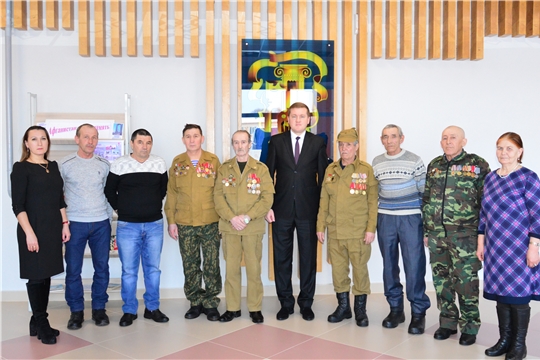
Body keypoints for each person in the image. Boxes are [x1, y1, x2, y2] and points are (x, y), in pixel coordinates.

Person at [422, 125, 490, 346]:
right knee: (442, 282)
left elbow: (486, 204)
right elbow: (426, 200)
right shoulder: (434, 165)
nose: (448, 141)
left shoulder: (477, 165)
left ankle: (470, 326)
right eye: (444, 138)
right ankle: (448, 323)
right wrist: (427, 231)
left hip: (466, 237)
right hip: (437, 236)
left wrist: (482, 236)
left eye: (453, 137)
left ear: (464, 141)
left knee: (466, 284)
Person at [476, 132, 540, 360]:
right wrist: (481, 241)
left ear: (520, 151)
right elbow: (484, 213)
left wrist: (534, 246)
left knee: (519, 296)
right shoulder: (491, 178)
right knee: (501, 296)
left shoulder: (528, 177)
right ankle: (504, 340)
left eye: (509, 149)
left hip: (519, 246)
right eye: (500, 148)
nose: (504, 153)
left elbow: (537, 214)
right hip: (495, 247)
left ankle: (519, 345)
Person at [265, 102, 328, 321]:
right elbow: (267, 176)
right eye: (294, 116)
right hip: (280, 210)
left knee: (308, 259)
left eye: (302, 116)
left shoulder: (317, 142)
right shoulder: (276, 141)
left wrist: (321, 210)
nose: (298, 120)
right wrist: (268, 206)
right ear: (287, 119)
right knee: (282, 258)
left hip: (308, 210)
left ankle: (306, 303)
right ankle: (285, 302)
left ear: (309, 119)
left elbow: (323, 179)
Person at [11, 126, 70, 344]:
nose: (39, 143)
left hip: (52, 227)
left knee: (46, 274)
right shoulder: (21, 168)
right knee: (36, 275)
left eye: (43, 138)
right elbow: (18, 205)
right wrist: (29, 233)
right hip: (32, 228)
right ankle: (42, 322)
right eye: (34, 139)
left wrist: (65, 224)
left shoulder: (52, 166)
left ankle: (36, 321)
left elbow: (59, 200)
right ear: (26, 144)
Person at [104, 128, 169, 327]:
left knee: (153, 270)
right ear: (132, 144)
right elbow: (109, 190)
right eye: (140, 142)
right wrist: (121, 208)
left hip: (154, 225)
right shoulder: (119, 164)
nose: (145, 146)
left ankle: (152, 308)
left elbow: (163, 190)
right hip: (127, 226)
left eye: (148, 142)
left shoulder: (159, 163)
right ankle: (129, 310)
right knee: (129, 271)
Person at [372, 124, 430, 334]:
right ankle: (396, 309)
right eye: (385, 137)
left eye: (393, 137)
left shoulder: (414, 160)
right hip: (386, 218)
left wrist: (427, 227)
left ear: (401, 138)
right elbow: (374, 193)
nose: (389, 141)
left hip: (410, 219)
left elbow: (425, 194)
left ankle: (418, 312)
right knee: (389, 266)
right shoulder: (377, 162)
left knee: (414, 266)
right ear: (382, 139)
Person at [316, 128, 378, 327]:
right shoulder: (330, 170)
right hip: (335, 230)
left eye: (348, 145)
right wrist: (320, 226)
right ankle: (343, 307)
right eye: (341, 145)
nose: (344, 149)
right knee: (339, 271)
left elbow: (372, 202)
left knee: (360, 270)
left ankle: (360, 310)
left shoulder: (365, 170)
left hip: (357, 231)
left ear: (356, 147)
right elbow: (323, 200)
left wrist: (371, 228)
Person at [214, 130, 274, 324]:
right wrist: (232, 218)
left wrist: (247, 217)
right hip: (230, 227)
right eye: (236, 142)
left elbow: (267, 198)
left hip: (252, 226)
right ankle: (232, 308)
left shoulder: (261, 169)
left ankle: (255, 308)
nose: (240, 146)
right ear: (233, 145)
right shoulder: (225, 168)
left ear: (249, 144)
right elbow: (217, 197)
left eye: (243, 142)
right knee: (231, 269)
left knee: (254, 270)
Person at [164, 124, 222, 321]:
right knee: (190, 264)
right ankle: (195, 301)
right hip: (185, 221)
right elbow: (171, 193)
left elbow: (220, 192)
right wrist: (171, 221)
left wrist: (223, 220)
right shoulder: (177, 162)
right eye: (188, 136)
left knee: (211, 263)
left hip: (210, 221)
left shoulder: (213, 161)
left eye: (195, 136)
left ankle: (211, 302)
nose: (192, 140)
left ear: (202, 138)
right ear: (183, 140)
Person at [60, 124, 112, 330]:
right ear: (77, 139)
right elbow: (57, 195)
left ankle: (99, 309)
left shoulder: (104, 164)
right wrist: (64, 223)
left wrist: (108, 218)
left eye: (94, 137)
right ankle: (76, 311)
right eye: (86, 137)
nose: (90, 141)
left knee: (102, 268)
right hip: (74, 223)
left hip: (101, 223)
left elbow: (109, 193)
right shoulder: (65, 164)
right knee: (73, 270)